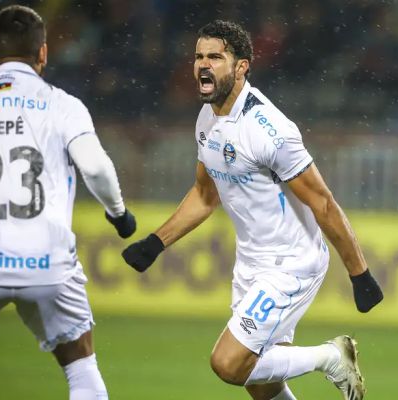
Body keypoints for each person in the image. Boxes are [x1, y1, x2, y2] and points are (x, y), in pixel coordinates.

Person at [121, 20, 383, 400]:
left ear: (241, 66)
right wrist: (155, 243)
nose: (203, 65)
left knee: (229, 363)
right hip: (251, 263)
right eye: (198, 56)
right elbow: (204, 195)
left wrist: (360, 273)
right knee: (262, 386)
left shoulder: (270, 130)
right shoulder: (207, 119)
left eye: (215, 56)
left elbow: (323, 202)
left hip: (291, 263)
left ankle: (330, 356)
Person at [0, 5, 136, 399]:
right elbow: (97, 168)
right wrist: (119, 214)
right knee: (80, 363)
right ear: (43, 54)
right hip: (47, 264)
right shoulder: (63, 105)